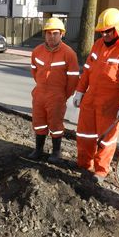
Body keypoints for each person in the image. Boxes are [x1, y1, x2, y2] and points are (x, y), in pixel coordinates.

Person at [72, 8, 119, 183]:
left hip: (110, 105)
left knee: (106, 140)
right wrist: (80, 90)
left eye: (108, 31)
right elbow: (87, 70)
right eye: (102, 31)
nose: (105, 35)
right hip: (91, 99)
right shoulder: (98, 45)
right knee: (84, 135)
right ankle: (84, 164)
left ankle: (101, 170)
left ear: (118, 29)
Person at [28, 17, 80, 162]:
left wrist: (64, 95)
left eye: (55, 33)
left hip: (57, 95)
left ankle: (56, 152)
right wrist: (41, 86)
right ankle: (38, 150)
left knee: (56, 124)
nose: (51, 36)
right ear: (44, 34)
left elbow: (73, 79)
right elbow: (34, 71)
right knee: (38, 122)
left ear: (62, 34)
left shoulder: (68, 53)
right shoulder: (37, 51)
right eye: (49, 33)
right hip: (39, 94)